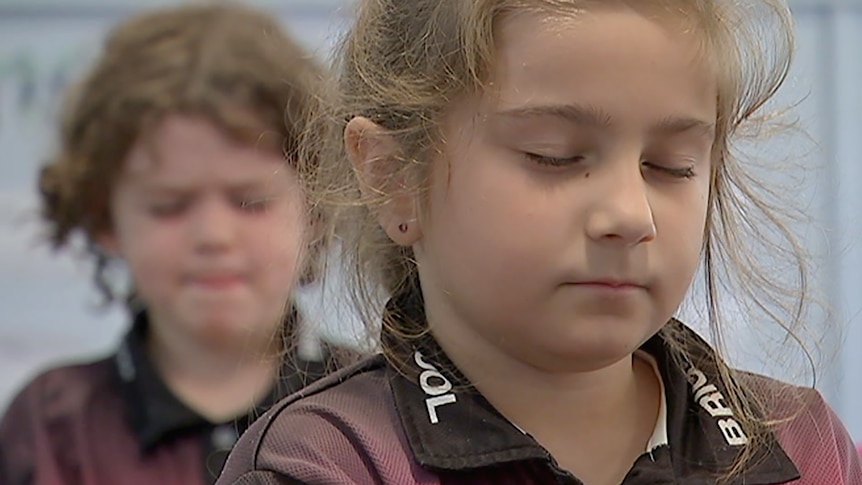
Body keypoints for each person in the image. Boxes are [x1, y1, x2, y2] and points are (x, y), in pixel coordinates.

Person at [218, 0, 862, 484]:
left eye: (670, 164)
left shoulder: (803, 445)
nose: (630, 214)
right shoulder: (331, 459)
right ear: (393, 177)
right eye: (553, 155)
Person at [0, 4, 333, 484]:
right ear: (103, 217)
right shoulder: (49, 428)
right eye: (168, 206)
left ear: (318, 207)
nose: (214, 236)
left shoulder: (382, 409)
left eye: (250, 201)